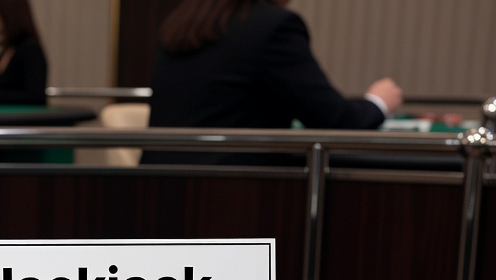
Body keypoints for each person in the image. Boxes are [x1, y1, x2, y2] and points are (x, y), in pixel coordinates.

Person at [143, 0, 402, 163]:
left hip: (156, 189)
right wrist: (378, 102)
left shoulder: (183, 23)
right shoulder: (274, 26)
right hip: (232, 194)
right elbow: (335, 121)